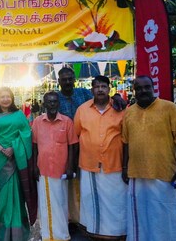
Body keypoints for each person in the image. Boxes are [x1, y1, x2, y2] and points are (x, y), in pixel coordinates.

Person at [122, 76, 176, 241]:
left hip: (164, 175)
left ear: (153, 88)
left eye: (146, 87)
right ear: (134, 91)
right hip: (136, 175)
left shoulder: (170, 108)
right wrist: (125, 168)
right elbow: (125, 143)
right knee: (140, 217)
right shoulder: (129, 112)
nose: (143, 91)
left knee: (164, 217)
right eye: (138, 88)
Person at [57, 67, 126, 231]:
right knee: (68, 185)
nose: (67, 82)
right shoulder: (55, 98)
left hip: (89, 151)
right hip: (64, 147)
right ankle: (71, 220)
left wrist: (116, 97)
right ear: (59, 81)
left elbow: (101, 99)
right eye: (64, 79)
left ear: (74, 79)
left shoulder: (83, 94)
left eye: (69, 78)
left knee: (86, 187)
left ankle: (86, 221)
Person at [74, 75, 127, 240]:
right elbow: (77, 135)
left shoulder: (121, 109)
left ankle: (117, 233)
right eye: (97, 87)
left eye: (103, 86)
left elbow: (127, 138)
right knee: (91, 200)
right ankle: (95, 232)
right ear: (92, 90)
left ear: (109, 89)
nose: (100, 90)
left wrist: (127, 166)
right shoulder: (82, 109)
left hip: (114, 164)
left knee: (116, 201)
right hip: (89, 164)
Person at [0, 87, 37, 241]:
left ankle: (15, 230)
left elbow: (27, 133)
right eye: (2, 96)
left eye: (8, 96)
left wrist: (14, 148)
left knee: (15, 193)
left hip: (15, 157)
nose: (6, 99)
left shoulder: (19, 114)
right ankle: (2, 230)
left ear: (12, 98)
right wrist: (2, 149)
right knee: (3, 193)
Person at [32, 91, 78, 241]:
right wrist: (34, 166)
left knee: (61, 203)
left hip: (61, 170)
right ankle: (47, 235)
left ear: (58, 103)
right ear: (44, 104)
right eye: (49, 102)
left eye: (54, 102)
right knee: (45, 204)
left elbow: (72, 146)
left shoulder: (67, 122)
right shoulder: (37, 122)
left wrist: (70, 167)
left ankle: (62, 235)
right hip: (43, 169)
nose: (52, 104)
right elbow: (34, 146)